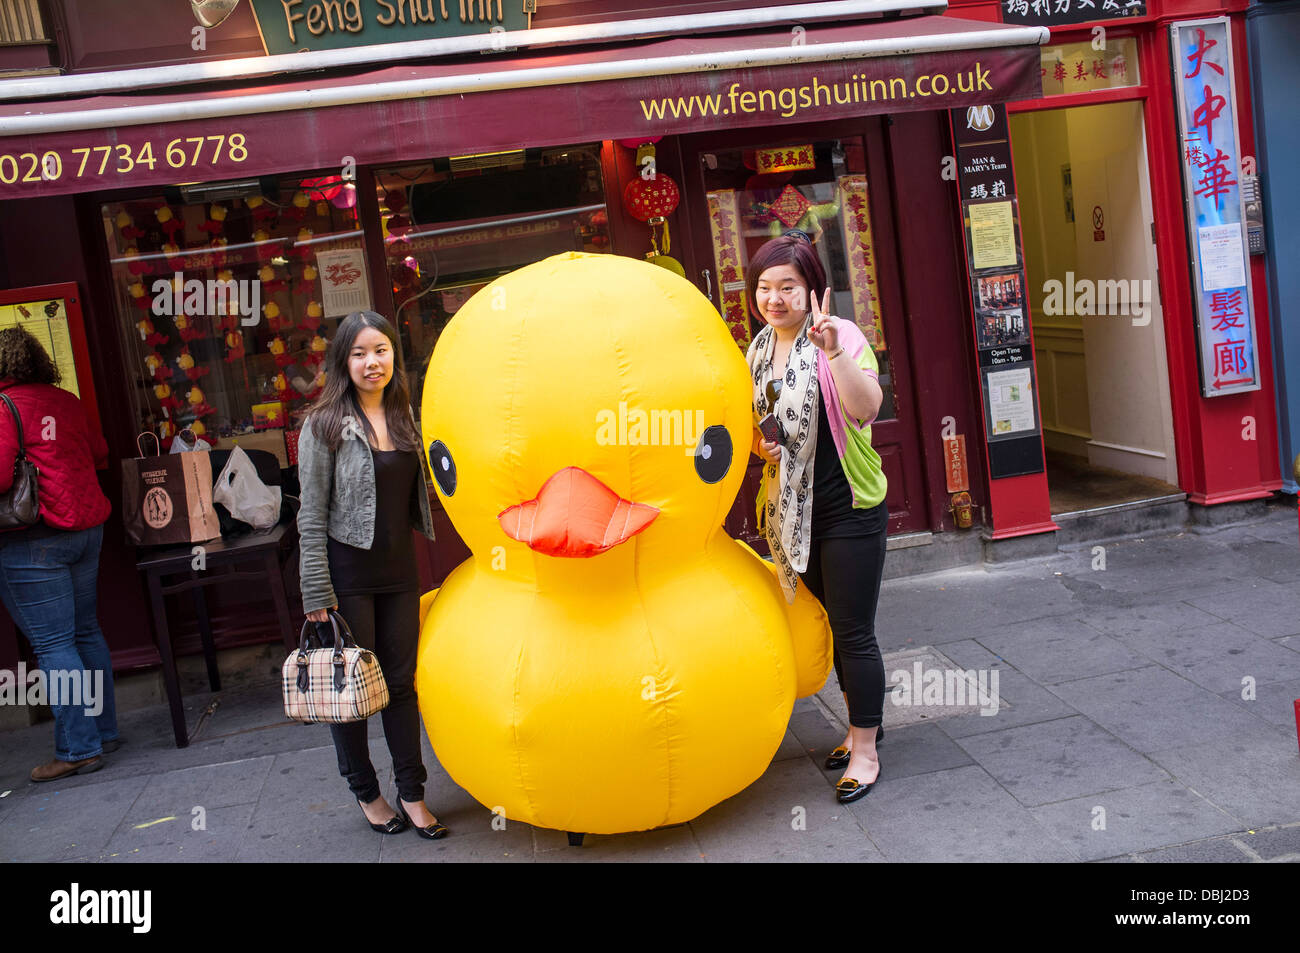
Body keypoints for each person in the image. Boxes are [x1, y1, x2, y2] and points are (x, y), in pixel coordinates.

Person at [745, 231, 890, 804]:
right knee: (833, 624)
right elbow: (768, 428)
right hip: (795, 509)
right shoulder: (759, 349)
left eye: (788, 287)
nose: (774, 298)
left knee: (854, 633)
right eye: (764, 287)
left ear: (812, 291)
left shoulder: (841, 335)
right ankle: (861, 728)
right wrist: (766, 449)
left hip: (849, 505)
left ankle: (867, 751)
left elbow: (865, 410)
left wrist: (830, 351)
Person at [296, 310, 448, 838]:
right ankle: (367, 793)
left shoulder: (408, 418)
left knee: (402, 686)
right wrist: (317, 590)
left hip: (400, 574)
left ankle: (413, 793)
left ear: (393, 356)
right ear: (343, 361)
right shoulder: (323, 426)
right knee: (354, 692)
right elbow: (310, 515)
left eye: (380, 350)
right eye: (359, 353)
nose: (371, 362)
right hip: (347, 578)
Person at [0, 326, 119, 782]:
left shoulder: (4, 406)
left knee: (53, 643)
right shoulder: (66, 400)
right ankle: (103, 732)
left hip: (35, 537)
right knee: (85, 632)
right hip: (87, 528)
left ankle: (78, 748)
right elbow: (99, 451)